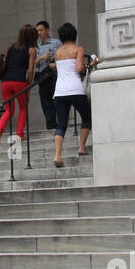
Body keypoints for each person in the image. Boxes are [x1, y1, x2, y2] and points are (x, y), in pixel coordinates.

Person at [52, 22, 97, 167]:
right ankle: (82, 147)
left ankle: (58, 155)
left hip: (60, 91)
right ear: (74, 35)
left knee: (61, 124)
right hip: (76, 89)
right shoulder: (78, 49)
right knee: (87, 117)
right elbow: (78, 68)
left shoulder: (57, 52)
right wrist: (91, 64)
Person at [0, 24, 37, 147]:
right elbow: (31, 70)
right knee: (23, 108)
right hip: (19, 82)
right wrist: (29, 84)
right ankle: (19, 134)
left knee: (9, 109)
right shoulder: (32, 50)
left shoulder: (11, 47)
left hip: (5, 82)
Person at [33, 20, 61, 131]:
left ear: (47, 30)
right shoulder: (36, 47)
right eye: (37, 31)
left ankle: (59, 125)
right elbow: (32, 63)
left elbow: (63, 57)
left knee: (56, 101)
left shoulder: (56, 43)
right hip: (42, 76)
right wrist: (41, 58)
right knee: (45, 103)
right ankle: (50, 126)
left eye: (41, 30)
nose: (39, 33)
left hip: (53, 75)